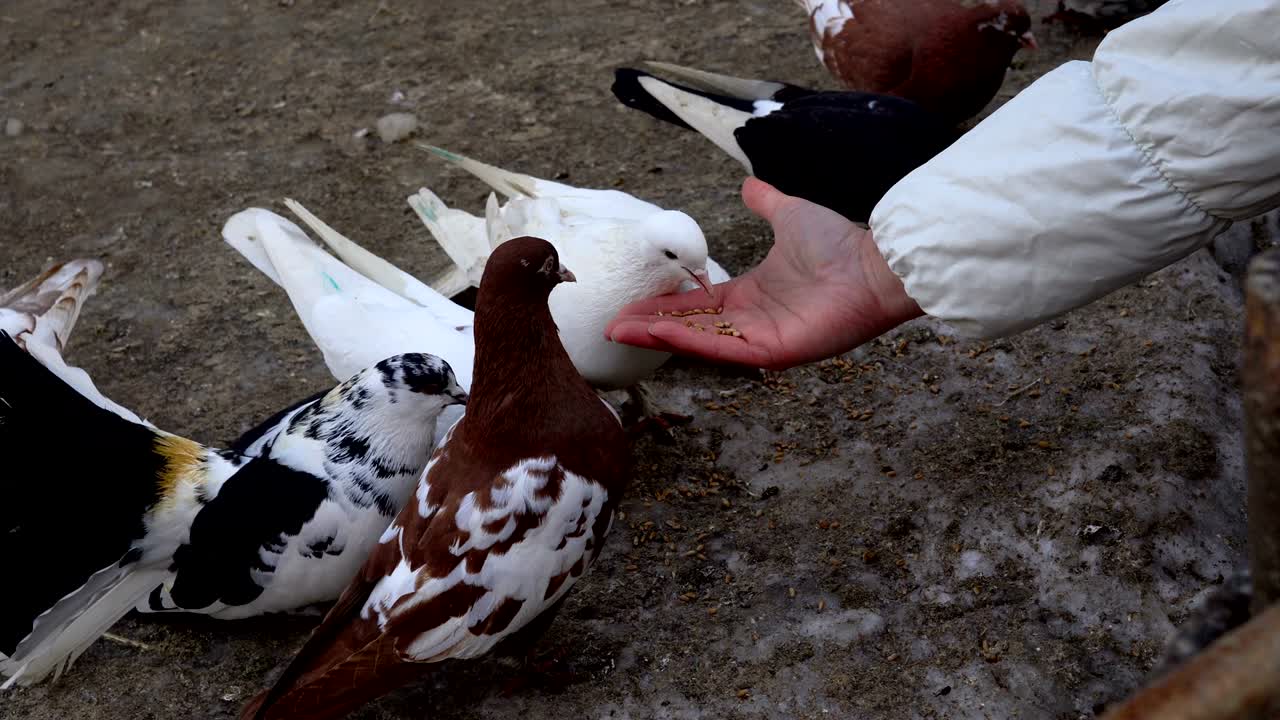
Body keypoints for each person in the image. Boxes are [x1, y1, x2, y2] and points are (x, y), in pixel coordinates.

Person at [605, 0, 1280, 371]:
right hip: (815, 125)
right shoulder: (902, 84)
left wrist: (893, 260)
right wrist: (890, 262)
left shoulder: (926, 109)